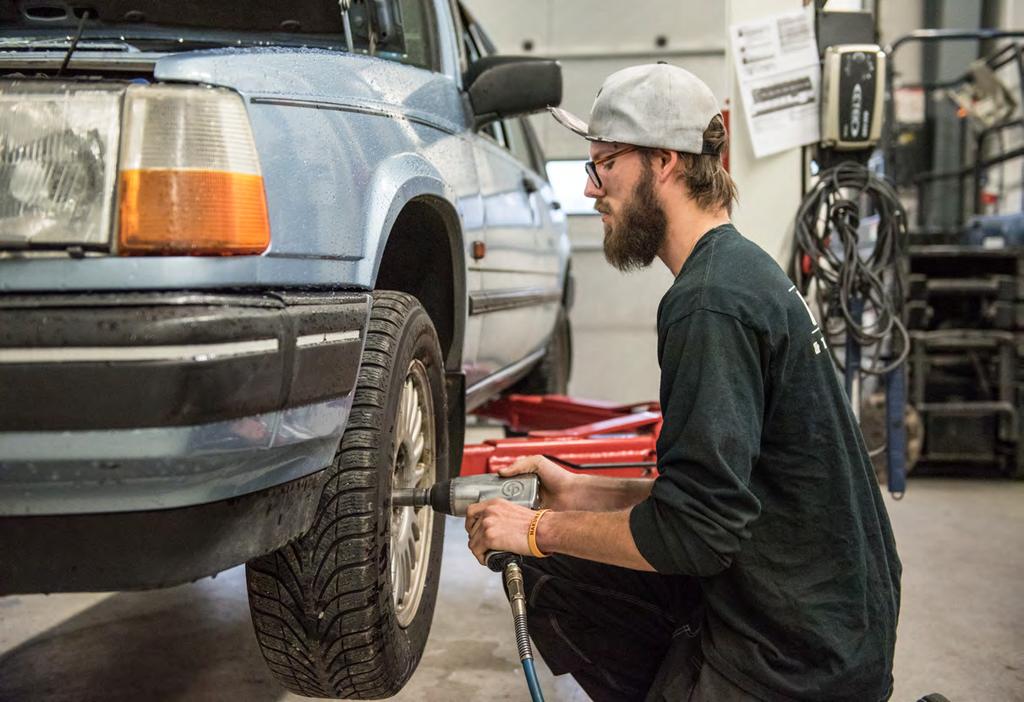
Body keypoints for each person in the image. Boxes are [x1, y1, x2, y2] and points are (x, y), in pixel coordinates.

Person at [464, 63, 901, 701]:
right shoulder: (742, 270)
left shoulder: (709, 302)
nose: (592, 190)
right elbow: (710, 498)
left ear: (664, 162)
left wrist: (533, 530)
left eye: (603, 164)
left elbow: (695, 534)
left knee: (540, 552)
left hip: (796, 659)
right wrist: (578, 491)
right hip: (832, 620)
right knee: (554, 571)